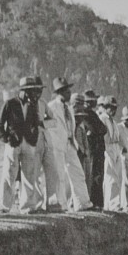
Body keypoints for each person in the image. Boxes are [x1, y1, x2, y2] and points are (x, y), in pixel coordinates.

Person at [0, 75, 45, 213]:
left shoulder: (32, 106)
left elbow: (36, 123)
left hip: (28, 143)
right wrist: (6, 139)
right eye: (31, 91)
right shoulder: (10, 103)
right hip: (13, 143)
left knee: (29, 175)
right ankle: (3, 206)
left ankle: (28, 207)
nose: (33, 93)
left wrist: (33, 138)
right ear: (23, 90)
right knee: (9, 174)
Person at [45, 77, 92, 211]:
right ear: (60, 92)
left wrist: (71, 139)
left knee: (77, 172)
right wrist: (56, 134)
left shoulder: (69, 108)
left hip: (70, 144)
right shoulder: (51, 107)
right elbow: (45, 124)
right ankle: (59, 204)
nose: (70, 94)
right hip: (57, 144)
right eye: (67, 91)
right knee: (59, 175)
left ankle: (82, 203)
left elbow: (70, 125)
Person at [96, 96, 124, 211]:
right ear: (105, 107)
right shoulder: (102, 118)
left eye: (114, 108)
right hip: (107, 147)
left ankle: (114, 203)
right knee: (110, 177)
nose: (113, 110)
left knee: (117, 177)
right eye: (110, 107)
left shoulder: (113, 121)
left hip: (116, 148)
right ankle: (111, 204)